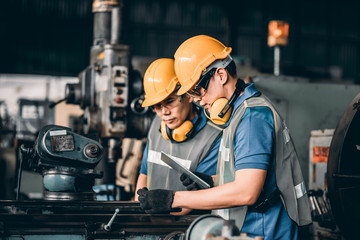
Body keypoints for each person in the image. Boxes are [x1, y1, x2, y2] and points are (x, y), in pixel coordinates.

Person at [137, 36, 312, 239]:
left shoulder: (252, 117)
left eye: (196, 89)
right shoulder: (237, 113)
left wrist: (174, 199)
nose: (197, 100)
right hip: (249, 227)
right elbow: (245, 175)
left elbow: (247, 191)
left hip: (266, 230)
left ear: (220, 75)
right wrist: (212, 181)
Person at [134, 58, 222, 202]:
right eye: (156, 106)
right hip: (152, 220)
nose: (164, 112)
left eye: (170, 101)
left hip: (189, 222)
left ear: (188, 95)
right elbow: (144, 174)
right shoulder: (157, 124)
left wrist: (166, 206)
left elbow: (202, 196)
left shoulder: (212, 136)